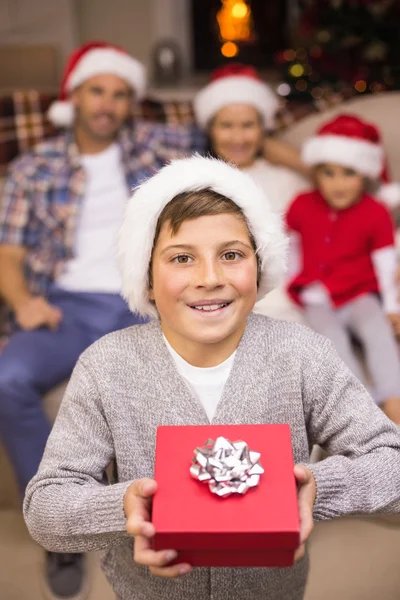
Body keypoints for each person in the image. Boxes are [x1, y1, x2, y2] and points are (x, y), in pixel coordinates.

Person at [24, 156, 400, 600]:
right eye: (182, 258)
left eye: (232, 255)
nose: (209, 278)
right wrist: (122, 508)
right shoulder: (105, 367)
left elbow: (391, 463)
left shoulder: (303, 354)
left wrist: (314, 487)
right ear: (145, 279)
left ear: (259, 268)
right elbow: (46, 506)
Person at [286, 114, 400, 424]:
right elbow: (290, 246)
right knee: (331, 340)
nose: (338, 183)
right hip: (316, 297)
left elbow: (385, 263)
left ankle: (394, 398)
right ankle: (360, 405)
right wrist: (290, 281)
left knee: (376, 330)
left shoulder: (375, 212)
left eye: (348, 173)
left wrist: (392, 307)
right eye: (328, 173)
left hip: (360, 292)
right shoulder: (301, 205)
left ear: (363, 174)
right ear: (316, 174)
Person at [194, 64, 310, 322]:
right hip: (215, 301)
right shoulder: (194, 179)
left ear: (263, 131)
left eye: (248, 125)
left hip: (280, 303)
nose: (238, 137)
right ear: (211, 130)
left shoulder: (287, 181)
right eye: (226, 125)